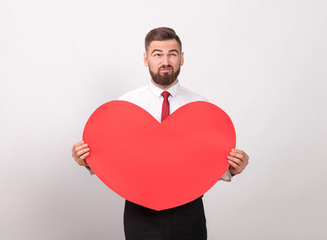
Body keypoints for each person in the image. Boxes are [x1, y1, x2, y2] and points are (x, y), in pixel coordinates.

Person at [71, 27, 249, 240]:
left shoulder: (201, 107)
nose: (165, 61)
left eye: (172, 54)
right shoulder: (125, 105)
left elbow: (206, 160)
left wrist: (232, 168)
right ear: (146, 59)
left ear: (181, 58)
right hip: (140, 210)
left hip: (188, 211)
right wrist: (87, 161)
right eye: (157, 54)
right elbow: (115, 157)